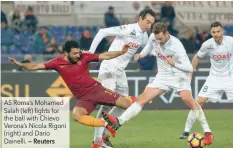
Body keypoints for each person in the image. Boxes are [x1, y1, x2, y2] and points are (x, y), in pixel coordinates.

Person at [102, 22, 213, 145]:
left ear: (166, 33)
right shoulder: (153, 37)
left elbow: (189, 68)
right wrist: (142, 54)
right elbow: (149, 46)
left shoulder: (176, 46)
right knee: (141, 99)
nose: (158, 41)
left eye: (160, 38)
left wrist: (174, 64)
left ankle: (208, 132)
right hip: (163, 76)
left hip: (180, 75)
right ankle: (119, 121)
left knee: (188, 100)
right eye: (156, 39)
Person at [8, 40, 136, 141]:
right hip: (84, 98)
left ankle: (134, 103)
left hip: (97, 90)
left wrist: (122, 52)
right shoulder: (57, 63)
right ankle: (105, 125)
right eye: (74, 53)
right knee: (76, 115)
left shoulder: (85, 56)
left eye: (78, 52)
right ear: (66, 53)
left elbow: (106, 55)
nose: (78, 55)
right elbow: (36, 66)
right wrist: (21, 65)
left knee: (128, 106)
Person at [89, 8, 156, 148]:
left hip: (120, 71)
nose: (149, 26)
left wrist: (148, 53)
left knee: (125, 103)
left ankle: (105, 135)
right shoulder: (127, 29)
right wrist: (90, 53)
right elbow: (102, 32)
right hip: (109, 67)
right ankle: (97, 141)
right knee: (108, 102)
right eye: (147, 22)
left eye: (151, 23)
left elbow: (149, 47)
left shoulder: (144, 36)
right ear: (140, 18)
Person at [179, 21, 233, 140]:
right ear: (211, 33)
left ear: (222, 31)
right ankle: (186, 130)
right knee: (199, 101)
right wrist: (191, 72)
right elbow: (197, 57)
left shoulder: (230, 42)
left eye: (218, 31)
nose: (216, 34)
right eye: (213, 32)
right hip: (213, 78)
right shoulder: (207, 44)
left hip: (230, 78)